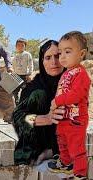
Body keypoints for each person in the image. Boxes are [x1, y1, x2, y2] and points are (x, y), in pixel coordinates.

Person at [12, 40, 65, 165]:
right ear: (42, 61)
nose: (54, 62)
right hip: (39, 148)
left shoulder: (73, 84)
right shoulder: (32, 89)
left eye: (58, 56)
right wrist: (44, 119)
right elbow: (19, 118)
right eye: (48, 57)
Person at [48, 31, 91, 180]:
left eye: (68, 51)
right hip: (63, 118)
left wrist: (57, 102)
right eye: (60, 53)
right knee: (62, 141)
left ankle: (80, 174)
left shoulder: (81, 74)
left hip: (76, 119)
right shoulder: (66, 73)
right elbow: (61, 93)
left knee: (76, 148)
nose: (62, 57)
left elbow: (76, 95)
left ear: (81, 54)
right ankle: (66, 164)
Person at [12, 38, 33, 104]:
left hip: (25, 76)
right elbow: (14, 66)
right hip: (16, 76)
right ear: (16, 46)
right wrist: (13, 74)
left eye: (22, 45)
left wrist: (29, 74)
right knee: (15, 90)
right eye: (18, 45)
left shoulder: (27, 54)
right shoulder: (15, 56)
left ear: (25, 46)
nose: (20, 47)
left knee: (25, 90)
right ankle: (17, 102)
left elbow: (30, 64)